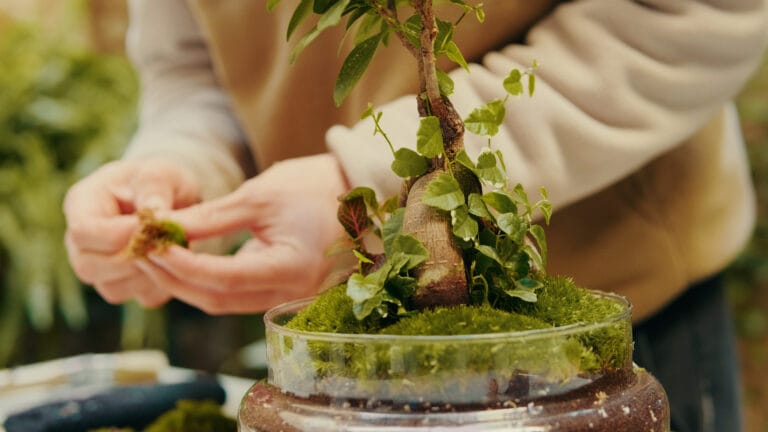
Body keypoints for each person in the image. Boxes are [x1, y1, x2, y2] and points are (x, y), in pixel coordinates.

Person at [63, 0, 768, 430]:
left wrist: (368, 184)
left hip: (621, 316)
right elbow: (192, 63)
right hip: (350, 355)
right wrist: (182, 165)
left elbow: (700, 12)